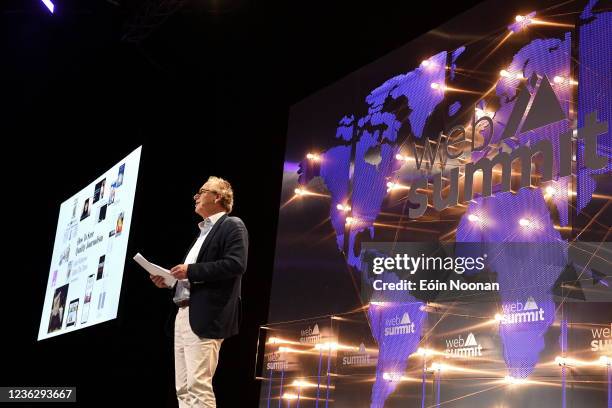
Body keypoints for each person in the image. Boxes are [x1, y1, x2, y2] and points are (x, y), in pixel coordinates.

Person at [150, 176, 248, 408]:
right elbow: (194, 277)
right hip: (183, 313)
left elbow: (236, 264)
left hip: (206, 315)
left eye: (201, 192)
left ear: (217, 196)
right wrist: (171, 281)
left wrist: (190, 271)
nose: (195, 196)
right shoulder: (202, 233)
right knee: (183, 389)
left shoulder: (232, 224)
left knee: (198, 385)